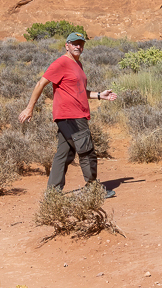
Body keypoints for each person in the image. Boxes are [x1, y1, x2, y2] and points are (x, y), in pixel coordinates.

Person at [19, 31, 118, 196]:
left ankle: (53, 193)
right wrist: (30, 107)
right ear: (67, 46)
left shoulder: (78, 64)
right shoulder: (61, 63)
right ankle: (93, 189)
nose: (78, 46)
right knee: (86, 150)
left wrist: (100, 95)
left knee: (65, 153)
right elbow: (40, 83)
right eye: (74, 43)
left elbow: (79, 91)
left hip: (75, 114)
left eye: (81, 43)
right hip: (70, 115)